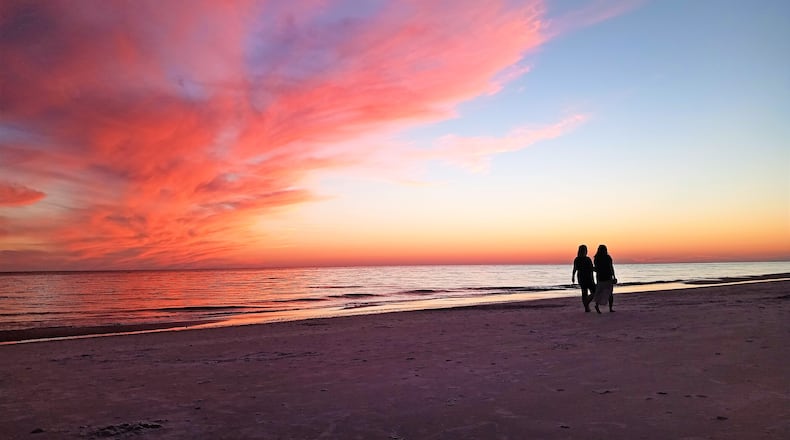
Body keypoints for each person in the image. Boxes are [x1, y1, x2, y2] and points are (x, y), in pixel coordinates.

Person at [592, 244, 617, 314]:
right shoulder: (607, 257)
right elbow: (611, 267)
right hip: (608, 276)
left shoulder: (596, 258)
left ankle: (597, 306)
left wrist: (592, 269)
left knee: (600, 292)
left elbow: (596, 269)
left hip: (600, 277)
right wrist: (614, 276)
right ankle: (610, 308)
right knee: (610, 293)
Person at [571, 244, 596, 312]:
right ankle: (586, 303)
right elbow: (591, 268)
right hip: (588, 277)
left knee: (584, 292)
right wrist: (598, 270)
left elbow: (575, 269)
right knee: (594, 292)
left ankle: (586, 307)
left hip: (581, 277)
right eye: (585, 250)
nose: (586, 251)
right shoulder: (587, 259)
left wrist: (573, 276)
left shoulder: (577, 259)